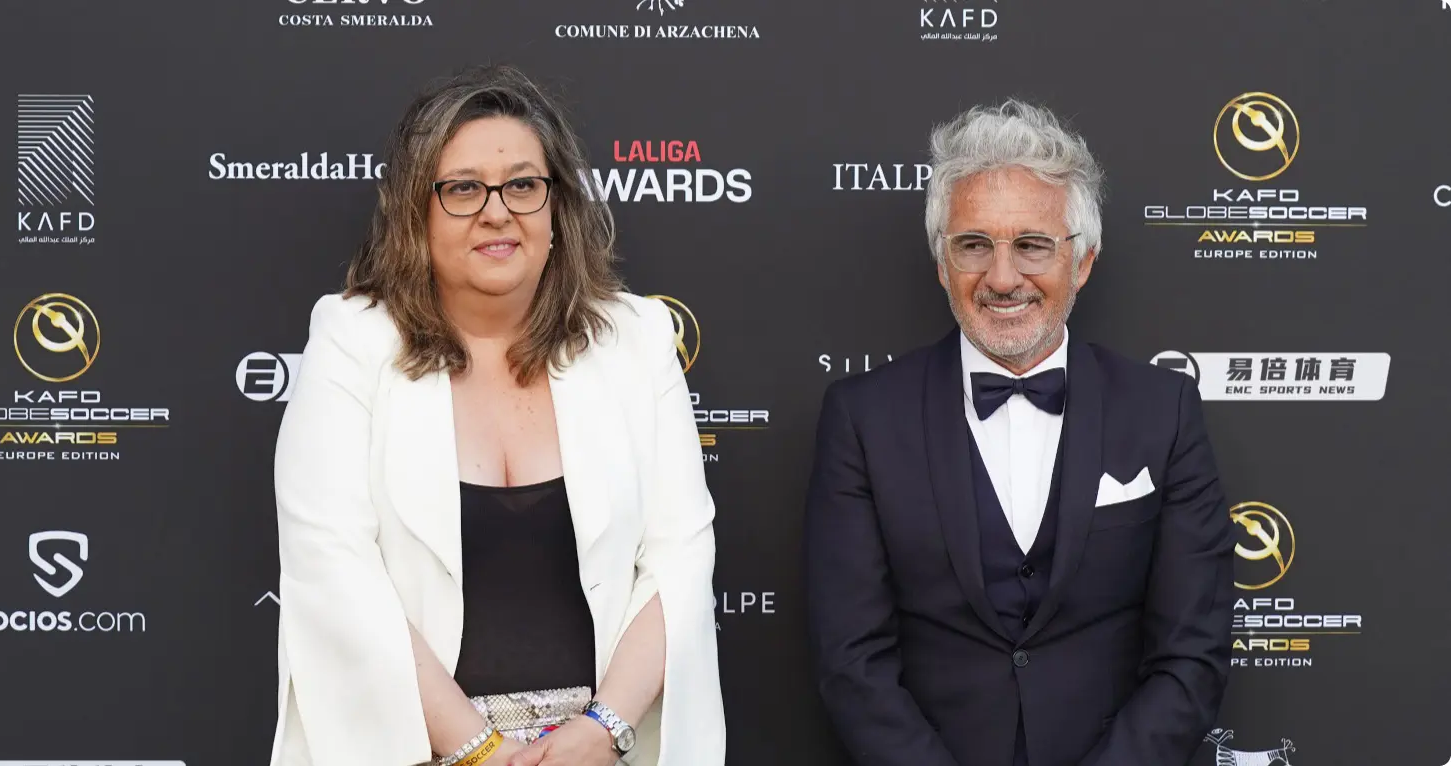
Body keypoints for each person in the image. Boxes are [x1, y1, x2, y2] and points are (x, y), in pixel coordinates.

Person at [268, 64, 725, 766]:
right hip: (420, 751)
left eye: (521, 185)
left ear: (556, 207)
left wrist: (603, 730)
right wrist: (478, 750)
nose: (497, 211)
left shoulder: (635, 339)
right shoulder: (352, 340)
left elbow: (681, 558)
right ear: (416, 213)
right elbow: (334, 569)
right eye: (462, 188)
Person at [803, 99, 1235, 766]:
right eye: (974, 245)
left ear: (1082, 262)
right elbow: (852, 661)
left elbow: (1192, 653)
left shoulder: (1163, 410)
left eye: (1032, 245)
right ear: (943, 263)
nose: (1003, 278)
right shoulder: (861, 419)